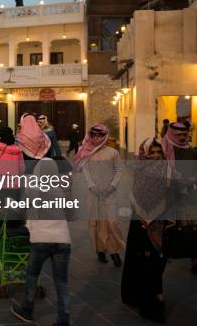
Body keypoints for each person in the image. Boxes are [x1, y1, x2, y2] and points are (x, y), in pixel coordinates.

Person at [12, 158, 72, 326]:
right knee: (62, 281)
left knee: (32, 275)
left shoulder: (32, 188)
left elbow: (23, 210)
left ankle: (27, 309)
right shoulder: (60, 189)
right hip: (62, 240)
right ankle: (64, 318)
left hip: (40, 239)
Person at [121, 138, 169, 323]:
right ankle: (147, 305)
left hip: (161, 224)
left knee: (156, 265)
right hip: (142, 225)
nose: (156, 156)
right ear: (144, 154)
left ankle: (153, 301)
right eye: (152, 153)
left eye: (159, 153)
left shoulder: (167, 170)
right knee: (144, 264)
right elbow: (134, 196)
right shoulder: (140, 171)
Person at [74, 124, 124, 267]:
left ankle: (114, 252)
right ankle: (100, 250)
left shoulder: (113, 152)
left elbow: (120, 170)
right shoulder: (86, 151)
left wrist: (113, 186)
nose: (96, 138)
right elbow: (84, 170)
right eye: (93, 135)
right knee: (95, 223)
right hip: (93, 193)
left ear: (105, 136)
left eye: (99, 135)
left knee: (112, 222)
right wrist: (92, 186)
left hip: (110, 193)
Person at [160, 121, 197, 273]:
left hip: (190, 192)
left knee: (192, 228)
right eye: (178, 135)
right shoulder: (163, 149)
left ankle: (194, 260)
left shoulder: (192, 150)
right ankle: (167, 252)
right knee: (169, 227)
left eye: (184, 134)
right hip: (170, 193)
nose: (182, 137)